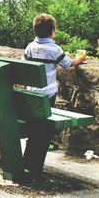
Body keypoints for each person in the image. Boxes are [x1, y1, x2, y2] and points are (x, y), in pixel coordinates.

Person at [22, 13, 86, 175]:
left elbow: (23, 63)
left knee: (35, 129)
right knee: (43, 130)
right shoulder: (54, 49)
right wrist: (80, 58)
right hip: (47, 95)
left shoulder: (30, 47)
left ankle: (27, 161)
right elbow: (69, 64)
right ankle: (35, 167)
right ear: (52, 32)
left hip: (32, 94)